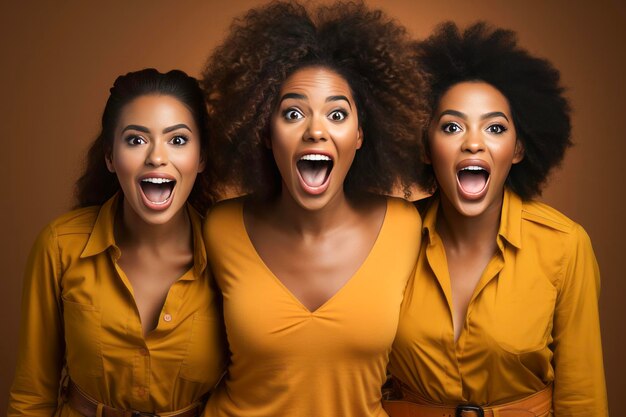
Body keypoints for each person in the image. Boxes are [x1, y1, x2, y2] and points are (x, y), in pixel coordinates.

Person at [200, 2, 424, 416]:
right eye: (293, 113)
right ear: (265, 132)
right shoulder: (220, 227)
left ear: (360, 134)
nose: (316, 130)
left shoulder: (405, 226)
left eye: (337, 114)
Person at [386, 22, 608, 416]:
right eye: (452, 126)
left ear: (518, 148)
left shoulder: (564, 245)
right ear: (425, 147)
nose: (473, 142)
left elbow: (582, 399)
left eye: (495, 128)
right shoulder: (387, 237)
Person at [8, 69, 226, 417]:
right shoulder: (60, 245)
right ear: (110, 157)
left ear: (200, 158)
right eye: (136, 140)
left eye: (178, 140)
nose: (156, 157)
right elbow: (32, 394)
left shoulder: (230, 254)